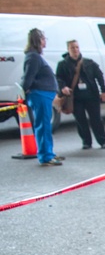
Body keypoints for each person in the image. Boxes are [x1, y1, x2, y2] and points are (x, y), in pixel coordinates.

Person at [56, 39, 105, 149]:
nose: (75, 50)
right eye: (72, 48)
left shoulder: (89, 62)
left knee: (96, 119)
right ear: (68, 49)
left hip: (91, 95)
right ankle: (86, 142)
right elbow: (59, 79)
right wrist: (63, 87)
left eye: (76, 47)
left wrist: (103, 91)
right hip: (75, 97)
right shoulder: (62, 65)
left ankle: (102, 141)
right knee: (80, 120)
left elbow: (99, 76)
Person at [20, 28, 62, 166]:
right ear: (37, 40)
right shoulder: (33, 57)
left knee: (45, 126)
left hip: (44, 95)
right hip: (40, 95)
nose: (45, 41)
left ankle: (48, 152)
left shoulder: (35, 56)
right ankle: (45, 156)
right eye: (43, 39)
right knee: (43, 126)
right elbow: (28, 79)